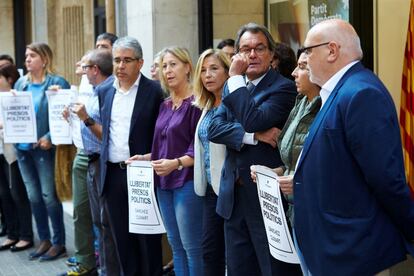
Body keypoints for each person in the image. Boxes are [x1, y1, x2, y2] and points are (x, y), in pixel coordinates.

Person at [293, 19, 414, 276]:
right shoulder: (339, 91)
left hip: (351, 251)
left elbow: (385, 178)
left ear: (332, 50)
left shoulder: (361, 94)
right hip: (332, 248)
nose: (304, 58)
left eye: (307, 51)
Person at [208, 22, 302, 275]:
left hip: (264, 196)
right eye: (245, 49)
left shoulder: (282, 87)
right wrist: (255, 136)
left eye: (259, 48)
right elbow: (213, 129)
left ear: (272, 54)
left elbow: (253, 118)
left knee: (271, 268)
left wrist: (235, 79)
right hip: (234, 195)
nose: (252, 55)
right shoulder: (232, 86)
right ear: (237, 54)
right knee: (239, 269)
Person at [129, 46, 203, 276]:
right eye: (163, 66)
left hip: (187, 182)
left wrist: (176, 163)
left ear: (187, 67)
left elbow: (199, 148)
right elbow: (163, 148)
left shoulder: (197, 103)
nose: (167, 71)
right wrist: (144, 157)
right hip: (163, 183)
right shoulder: (165, 104)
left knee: (192, 247)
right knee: (175, 246)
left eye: (173, 64)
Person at [251, 52, 321, 275]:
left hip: (316, 209)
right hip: (294, 208)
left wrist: (299, 179)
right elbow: (293, 158)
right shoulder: (301, 102)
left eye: (302, 67)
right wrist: (276, 173)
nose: (293, 73)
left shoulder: (326, 106)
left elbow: (326, 163)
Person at [99, 36, 164, 276]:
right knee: (122, 243)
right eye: (117, 60)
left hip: (143, 176)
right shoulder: (104, 90)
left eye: (127, 60)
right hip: (113, 175)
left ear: (140, 63)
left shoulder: (156, 91)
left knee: (148, 241)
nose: (120, 66)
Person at [14, 42, 69, 261]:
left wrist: (49, 138)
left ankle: (59, 243)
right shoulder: (20, 84)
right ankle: (44, 239)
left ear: (44, 59)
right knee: (33, 197)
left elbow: (64, 117)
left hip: (44, 151)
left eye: (32, 55)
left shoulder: (57, 83)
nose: (27, 59)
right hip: (22, 149)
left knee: (49, 197)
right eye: (26, 55)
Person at [193, 49, 230, 276]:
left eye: (214, 69)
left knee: (231, 254)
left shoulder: (234, 102)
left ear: (228, 72)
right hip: (209, 189)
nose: (208, 75)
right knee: (209, 251)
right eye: (204, 70)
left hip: (229, 189)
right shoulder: (206, 105)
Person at [0, 64, 33, 252]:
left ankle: (25, 235)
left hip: (13, 152)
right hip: (1, 152)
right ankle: (12, 233)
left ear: (9, 79)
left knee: (18, 195)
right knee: (4, 195)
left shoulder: (15, 97)